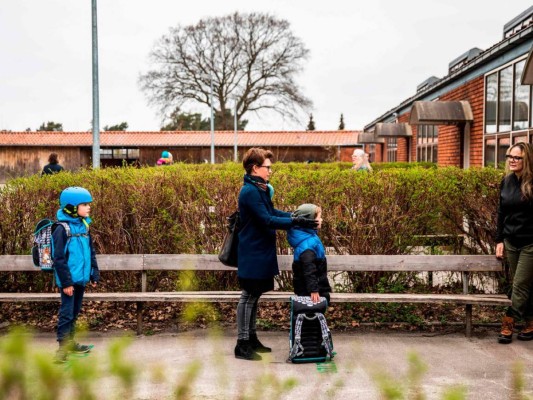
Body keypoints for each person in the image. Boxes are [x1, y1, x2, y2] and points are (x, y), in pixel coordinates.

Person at [235, 147, 318, 361]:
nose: (270, 171)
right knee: (248, 296)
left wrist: (294, 215)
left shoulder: (259, 188)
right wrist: (296, 221)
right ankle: (242, 343)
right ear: (255, 168)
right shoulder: (250, 191)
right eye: (267, 167)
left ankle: (251, 338)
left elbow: (272, 213)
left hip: (259, 251)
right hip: (252, 252)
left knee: (254, 295)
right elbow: (267, 220)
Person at [53, 187, 100, 362]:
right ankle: (62, 349)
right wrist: (66, 283)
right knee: (66, 313)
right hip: (68, 281)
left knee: (75, 311)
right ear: (72, 207)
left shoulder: (84, 226)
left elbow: (90, 251)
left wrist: (94, 273)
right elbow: (58, 258)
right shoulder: (62, 229)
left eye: (89, 204)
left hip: (80, 279)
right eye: (85, 204)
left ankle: (70, 342)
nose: (89, 207)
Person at [495, 142, 533, 344]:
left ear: (526, 160)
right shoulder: (507, 181)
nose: (512, 160)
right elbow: (501, 213)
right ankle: (529, 323)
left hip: (530, 244)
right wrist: (499, 239)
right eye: (510, 156)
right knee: (523, 286)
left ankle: (507, 323)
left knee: (519, 285)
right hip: (511, 242)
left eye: (517, 157)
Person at [287, 204, 332, 304]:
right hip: (310, 292)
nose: (321, 220)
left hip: (314, 288)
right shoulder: (307, 245)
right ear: (310, 221)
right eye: (319, 217)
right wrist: (314, 290)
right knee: (312, 314)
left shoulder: (308, 237)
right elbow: (309, 269)